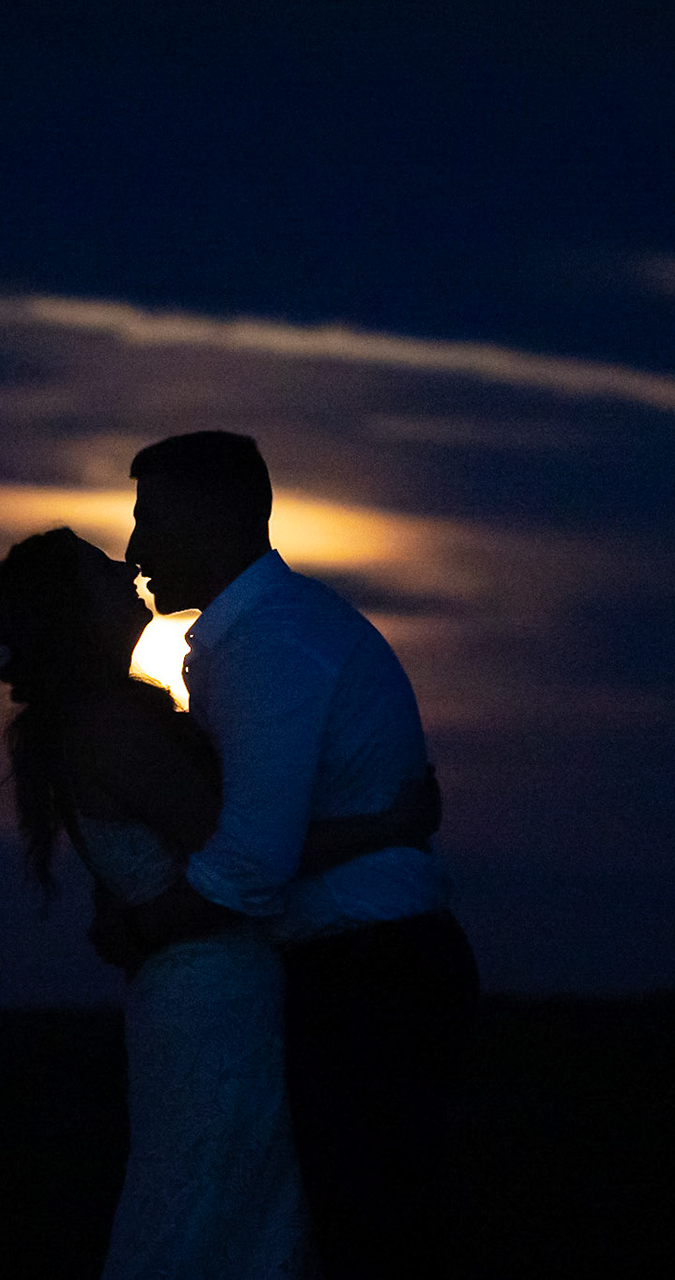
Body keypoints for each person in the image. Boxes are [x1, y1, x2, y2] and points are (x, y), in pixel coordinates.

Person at [117, 431, 479, 1280]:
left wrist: (146, 925)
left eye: (149, 520)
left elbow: (247, 862)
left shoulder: (270, 647)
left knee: (370, 1237)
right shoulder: (262, 639)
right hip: (366, 971)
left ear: (213, 520)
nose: (134, 552)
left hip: (371, 977)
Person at [0, 527, 314, 1279]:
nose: (128, 567)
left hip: (186, 992)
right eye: (103, 571)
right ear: (75, 610)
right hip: (213, 996)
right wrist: (383, 824)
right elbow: (236, 850)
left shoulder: (88, 724)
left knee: (206, 1199)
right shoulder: (112, 723)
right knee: (216, 1209)